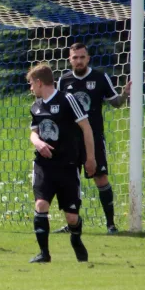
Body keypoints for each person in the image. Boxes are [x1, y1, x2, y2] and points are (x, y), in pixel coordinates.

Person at [54, 43, 131, 235]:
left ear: (88, 58)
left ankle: (111, 225)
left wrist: (124, 95)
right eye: (75, 57)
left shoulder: (99, 77)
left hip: (94, 139)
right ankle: (72, 224)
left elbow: (115, 103)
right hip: (70, 140)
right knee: (70, 181)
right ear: (70, 60)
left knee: (100, 177)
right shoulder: (64, 81)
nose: (78, 61)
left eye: (82, 57)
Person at [27, 63, 95, 263]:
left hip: (67, 166)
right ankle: (44, 254)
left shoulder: (68, 99)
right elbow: (34, 132)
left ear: (39, 82)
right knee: (41, 205)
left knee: (72, 217)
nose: (30, 88)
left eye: (31, 84)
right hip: (44, 166)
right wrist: (38, 143)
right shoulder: (36, 106)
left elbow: (87, 128)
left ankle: (76, 239)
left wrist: (90, 158)